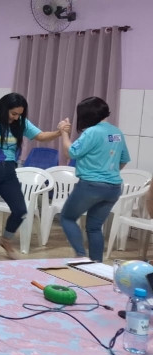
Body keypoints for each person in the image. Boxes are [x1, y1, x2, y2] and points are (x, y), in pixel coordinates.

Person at [0, 93, 68, 260]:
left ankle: (6, 240)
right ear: (3, 108)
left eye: (19, 114)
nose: (16, 118)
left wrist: (60, 132)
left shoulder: (20, 122)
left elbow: (40, 136)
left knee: (21, 210)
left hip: (9, 171)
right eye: (13, 113)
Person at [60, 97, 127, 262]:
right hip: (113, 188)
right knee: (95, 228)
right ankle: (97, 265)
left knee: (67, 217)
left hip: (90, 186)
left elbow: (70, 153)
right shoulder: (117, 133)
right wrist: (108, 174)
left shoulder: (91, 132)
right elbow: (124, 159)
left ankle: (81, 256)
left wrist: (64, 133)